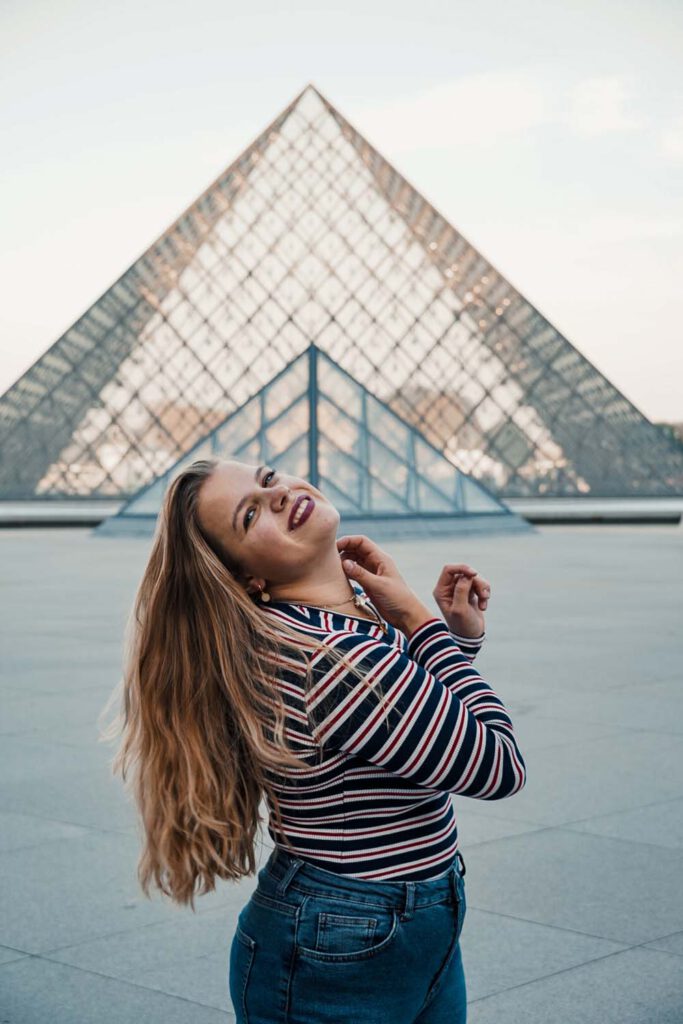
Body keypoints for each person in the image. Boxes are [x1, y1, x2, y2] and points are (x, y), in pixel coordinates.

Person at [101, 457, 527, 1024]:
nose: (276, 495)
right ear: (246, 576)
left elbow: (406, 730)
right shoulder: (332, 659)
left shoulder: (315, 631)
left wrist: (451, 642)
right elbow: (498, 765)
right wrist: (422, 625)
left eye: (268, 477)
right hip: (351, 938)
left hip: (368, 924)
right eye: (250, 514)